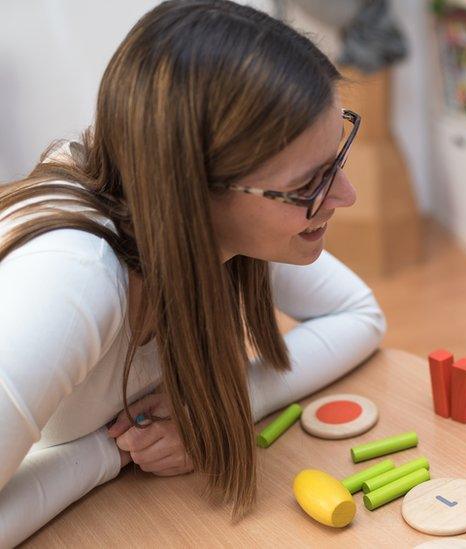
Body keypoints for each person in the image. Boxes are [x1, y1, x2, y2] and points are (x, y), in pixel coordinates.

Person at [0, 1, 386, 544]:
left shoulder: (221, 229)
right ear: (194, 191)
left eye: (336, 157)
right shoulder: (70, 282)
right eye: (309, 182)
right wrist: (108, 451)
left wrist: (212, 410)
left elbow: (359, 315)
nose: (346, 196)